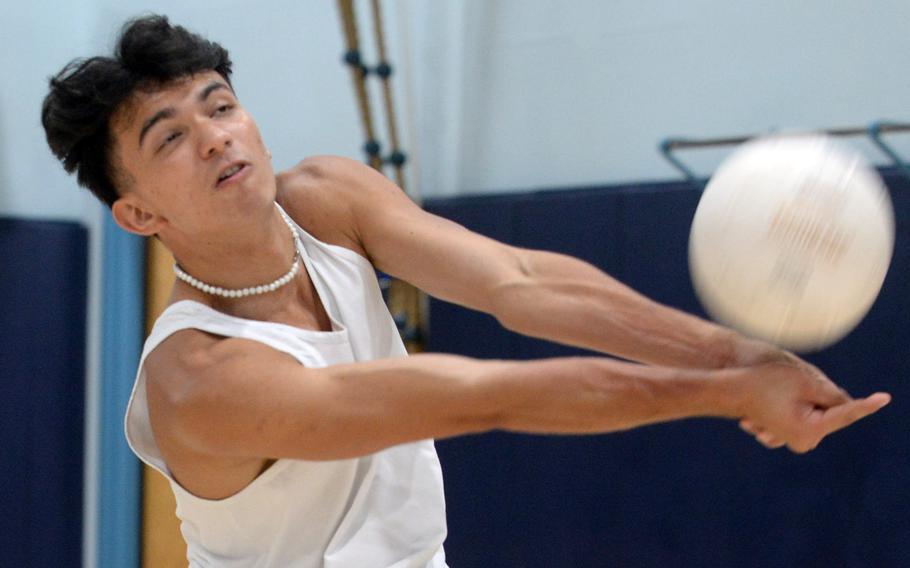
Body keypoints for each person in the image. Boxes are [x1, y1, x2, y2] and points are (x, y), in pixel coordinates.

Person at [42, 14, 890, 568]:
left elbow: (521, 283)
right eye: (171, 137)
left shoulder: (328, 200)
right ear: (136, 212)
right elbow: (482, 396)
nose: (216, 140)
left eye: (219, 107)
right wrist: (727, 391)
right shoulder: (201, 380)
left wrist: (737, 350)